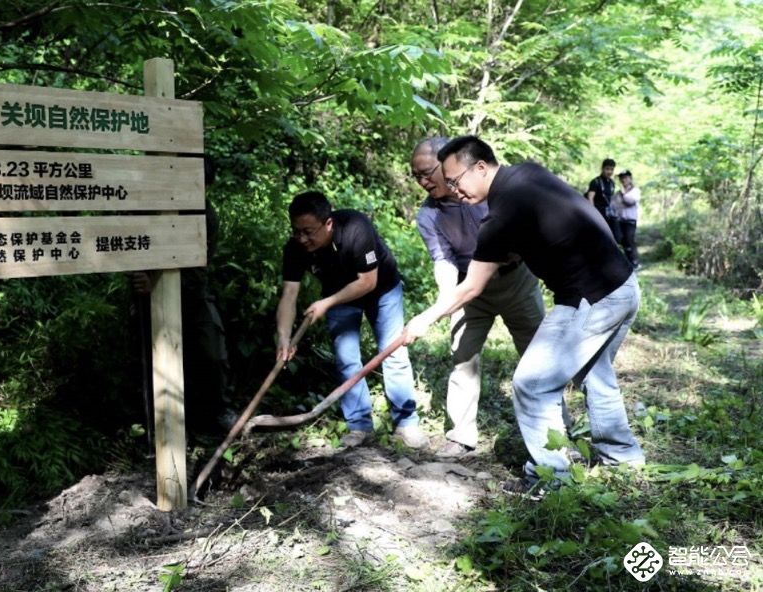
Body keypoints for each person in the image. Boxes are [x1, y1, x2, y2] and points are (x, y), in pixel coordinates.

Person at [406, 136, 644, 494]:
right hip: (623, 285)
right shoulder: (528, 174)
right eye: (449, 183)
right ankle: (623, 460)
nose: (454, 190)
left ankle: (551, 481)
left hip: (591, 298)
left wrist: (424, 319)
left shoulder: (501, 215)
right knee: (596, 375)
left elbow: (471, 287)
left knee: (532, 384)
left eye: (455, 181)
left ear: (481, 167)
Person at [410, 137, 547, 459]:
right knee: (462, 356)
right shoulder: (428, 216)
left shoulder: (489, 192)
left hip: (515, 281)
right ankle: (461, 435)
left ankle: (554, 433)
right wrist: (445, 301)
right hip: (467, 290)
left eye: (427, 173)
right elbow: (443, 261)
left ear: (448, 165)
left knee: (538, 356)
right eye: (416, 177)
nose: (423, 182)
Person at [276, 190, 428, 449]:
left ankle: (406, 423)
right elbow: (289, 295)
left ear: (328, 223)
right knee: (346, 359)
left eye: (308, 232)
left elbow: (367, 282)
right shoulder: (295, 248)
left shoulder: (356, 228)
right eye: (296, 231)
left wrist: (326, 303)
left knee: (393, 353)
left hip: (382, 289)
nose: (302, 238)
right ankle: (359, 426)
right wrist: (283, 337)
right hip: (339, 295)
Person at [131, 157, 230, 439]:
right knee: (152, 359)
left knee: (211, 351)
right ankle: (154, 426)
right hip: (148, 297)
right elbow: (131, 245)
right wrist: (141, 278)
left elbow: (199, 267)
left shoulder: (206, 216)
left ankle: (214, 413)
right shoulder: (151, 205)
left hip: (192, 293)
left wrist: (157, 283)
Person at [585, 158, 621, 243]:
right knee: (599, 237)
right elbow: (590, 198)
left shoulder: (612, 183)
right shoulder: (595, 182)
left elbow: (611, 198)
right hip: (598, 213)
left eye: (612, 169)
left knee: (617, 236)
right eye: (607, 169)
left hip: (609, 214)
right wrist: (593, 213)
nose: (609, 172)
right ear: (602, 168)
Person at [612, 170, 640, 268]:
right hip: (620, 220)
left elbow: (630, 202)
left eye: (625, 177)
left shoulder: (635, 191)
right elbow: (613, 204)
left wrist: (623, 194)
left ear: (630, 179)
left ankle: (635, 261)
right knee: (622, 241)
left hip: (630, 220)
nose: (623, 180)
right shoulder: (618, 193)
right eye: (621, 178)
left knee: (629, 239)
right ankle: (629, 262)